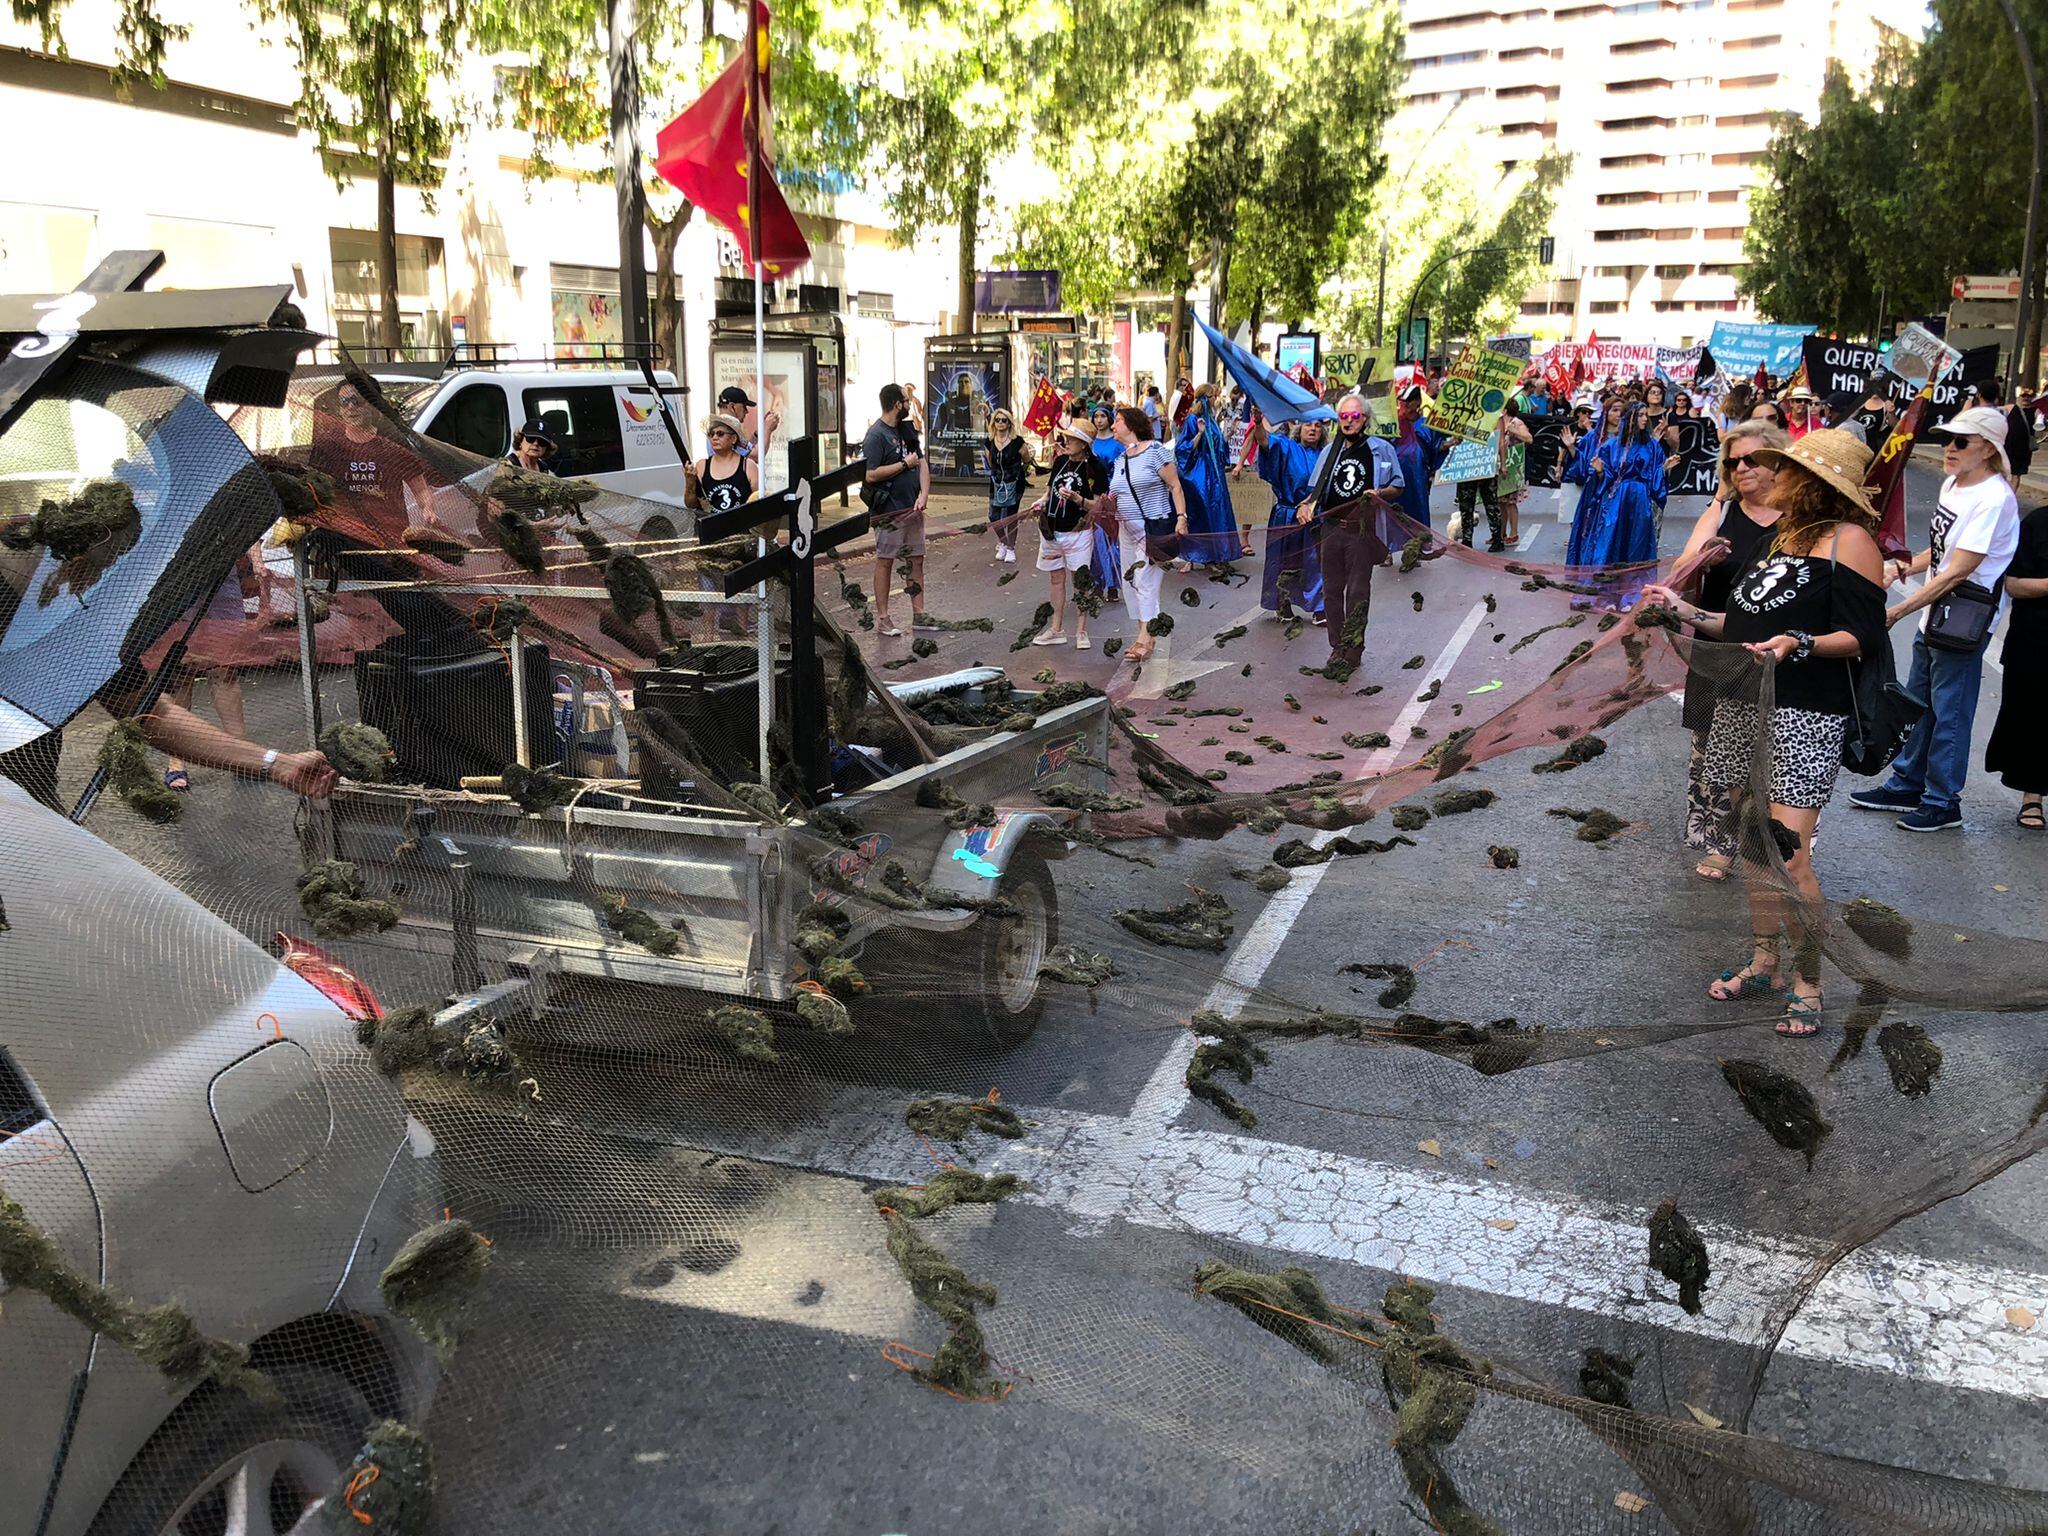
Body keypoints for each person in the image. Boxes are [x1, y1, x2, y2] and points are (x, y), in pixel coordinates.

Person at [1644, 427, 1888, 1036]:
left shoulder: (1850, 540)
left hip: (1804, 713)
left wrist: (1799, 643)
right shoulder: (1778, 537)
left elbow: (1863, 635)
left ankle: (1808, 981)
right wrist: (1679, 609)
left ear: (1815, 484)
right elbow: (1738, 623)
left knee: (1790, 853)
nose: (1770, 474)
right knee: (1753, 845)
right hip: (1740, 703)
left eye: (1785, 469)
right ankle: (1764, 963)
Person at [1848, 405, 2023, 831]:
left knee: (1950, 712)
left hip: (1963, 618)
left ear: (1988, 449)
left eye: (1961, 441)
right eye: (1947, 439)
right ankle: (1908, 782)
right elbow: (1944, 552)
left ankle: (1943, 801)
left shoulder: (1994, 499)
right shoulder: (1954, 484)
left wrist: (1899, 609)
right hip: (1936, 612)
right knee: (1918, 703)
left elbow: (1961, 569)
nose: (1949, 448)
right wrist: (1902, 567)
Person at [1671, 420, 1791, 879]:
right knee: (1713, 751)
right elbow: (1682, 568)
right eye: (1733, 462)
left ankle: (1775, 845)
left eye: (1752, 459)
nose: (1741, 468)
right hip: (1718, 649)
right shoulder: (1722, 512)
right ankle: (1719, 842)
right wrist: (1705, 557)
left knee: (1775, 752)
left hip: (1779, 652)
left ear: (1778, 463)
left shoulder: (1798, 517)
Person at [1297, 391, 1404, 673]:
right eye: (1343, 416)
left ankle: (1354, 648)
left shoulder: (1381, 449)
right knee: (1331, 591)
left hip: (1361, 532)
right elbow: (1314, 493)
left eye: (1354, 416)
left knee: (1357, 593)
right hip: (1330, 530)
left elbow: (1398, 485)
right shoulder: (1329, 452)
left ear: (1365, 419)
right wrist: (1304, 507)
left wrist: (1380, 493)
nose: (1348, 421)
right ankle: (1337, 647)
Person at [1108, 406, 1189, 666]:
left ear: (1131, 425)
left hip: (1152, 527)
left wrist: (1181, 518)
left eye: (1118, 421)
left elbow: (1175, 486)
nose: (1113, 426)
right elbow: (1115, 493)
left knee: (1145, 580)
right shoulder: (1121, 459)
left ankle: (1145, 637)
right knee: (1131, 580)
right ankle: (1144, 632)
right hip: (1125, 529)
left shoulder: (1155, 451)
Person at [1985, 496, 2047, 830]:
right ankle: (2031, 796)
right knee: (2033, 721)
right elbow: (2013, 585)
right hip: (2035, 643)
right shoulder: (2038, 523)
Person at [1028, 420, 1109, 650]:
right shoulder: (1060, 461)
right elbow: (1048, 493)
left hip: (1078, 533)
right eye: (1067, 438)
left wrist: (1077, 499)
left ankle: (1081, 631)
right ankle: (1056, 629)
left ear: (1084, 444)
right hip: (1052, 531)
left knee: (1080, 581)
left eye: (1072, 439)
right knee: (1056, 579)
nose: (1067, 442)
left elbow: (1098, 506)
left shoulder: (1095, 468)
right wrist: (1040, 503)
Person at [861, 383, 932, 638]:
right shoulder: (876, 435)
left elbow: (921, 463)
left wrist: (924, 494)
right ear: (896, 404)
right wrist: (903, 464)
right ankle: (883, 618)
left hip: (912, 508)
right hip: (888, 511)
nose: (910, 404)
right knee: (886, 561)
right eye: (906, 400)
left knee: (916, 560)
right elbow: (870, 474)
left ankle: (919, 614)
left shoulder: (906, 429)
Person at [1247, 411, 1329, 623]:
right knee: (1285, 560)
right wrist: (1258, 422)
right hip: (1287, 514)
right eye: (1308, 425)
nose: (1313, 429)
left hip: (1316, 516)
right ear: (1299, 429)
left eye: (1317, 426)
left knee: (1317, 562)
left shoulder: (1327, 455)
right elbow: (1264, 441)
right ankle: (1282, 603)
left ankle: (1320, 608)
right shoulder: (1287, 447)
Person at [1564, 399, 1665, 567]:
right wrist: (1600, 471)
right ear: (1630, 418)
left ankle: (1634, 579)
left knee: (1637, 539)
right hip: (1617, 499)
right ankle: (1607, 574)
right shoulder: (1610, 445)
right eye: (1640, 415)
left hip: (1640, 500)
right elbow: (1602, 477)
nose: (1645, 419)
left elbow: (1656, 472)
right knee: (1611, 536)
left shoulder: (1652, 445)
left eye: (1645, 415)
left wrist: (1664, 469)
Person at [1174, 387, 1237, 565]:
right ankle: (1193, 556)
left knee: (1217, 511)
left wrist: (1229, 434)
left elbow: (1217, 445)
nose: (1215, 399)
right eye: (1212, 396)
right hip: (1200, 473)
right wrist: (1200, 433)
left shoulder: (1212, 419)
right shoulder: (1193, 419)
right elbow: (1182, 447)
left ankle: (1217, 553)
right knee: (1201, 512)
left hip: (1214, 473)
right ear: (1205, 398)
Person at [1391, 385, 1449, 533]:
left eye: (1409, 401)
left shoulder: (1427, 424)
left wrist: (1451, 443)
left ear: (1417, 401)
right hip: (1396, 477)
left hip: (1417, 476)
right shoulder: (1393, 425)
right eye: (1403, 401)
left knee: (1418, 510)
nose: (1405, 404)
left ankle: (1419, 541)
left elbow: (1436, 447)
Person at [981, 407, 1033, 564]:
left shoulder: (1018, 442)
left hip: (1014, 482)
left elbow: (1026, 459)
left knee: (1011, 516)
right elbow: (991, 462)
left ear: (1009, 423)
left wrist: (1018, 473)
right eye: (997, 420)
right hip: (997, 482)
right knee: (993, 515)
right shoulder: (989, 442)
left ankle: (1011, 548)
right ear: (993, 423)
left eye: (1004, 420)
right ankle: (1003, 542)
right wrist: (997, 475)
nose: (1000, 423)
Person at [682, 414, 760, 515]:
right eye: (711, 434)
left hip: (742, 524)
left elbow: (759, 501)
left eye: (720, 434)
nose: (714, 438)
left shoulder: (748, 466)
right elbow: (691, 504)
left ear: (733, 438)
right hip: (711, 524)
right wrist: (690, 482)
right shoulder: (702, 466)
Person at [1494, 399, 1534, 550]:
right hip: (1500, 466)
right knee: (1501, 502)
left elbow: (1529, 438)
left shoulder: (1515, 422)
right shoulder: (1498, 422)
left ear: (1505, 410)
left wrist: (1514, 430)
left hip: (1512, 467)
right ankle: (1501, 533)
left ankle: (1514, 532)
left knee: (1511, 502)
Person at [717, 384, 780, 466]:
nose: (746, 411)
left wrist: (760, 431)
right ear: (732, 407)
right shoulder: (723, 430)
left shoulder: (726, 427)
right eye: (744, 407)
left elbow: (747, 449)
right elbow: (756, 456)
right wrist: (767, 429)